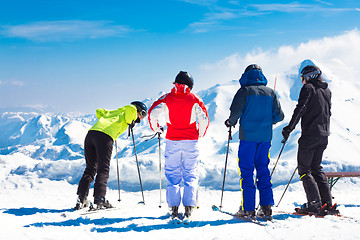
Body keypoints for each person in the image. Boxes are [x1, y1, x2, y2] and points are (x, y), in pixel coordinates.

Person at [225, 64, 284, 220]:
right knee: (263, 170)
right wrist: (266, 121)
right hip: (265, 139)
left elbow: (235, 113)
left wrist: (230, 122)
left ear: (246, 75)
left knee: (246, 171)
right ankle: (266, 207)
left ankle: (248, 209)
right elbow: (280, 116)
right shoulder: (271, 93)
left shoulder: (244, 91)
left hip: (248, 139)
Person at [148, 71, 209, 220]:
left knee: (173, 174)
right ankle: (189, 206)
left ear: (175, 83)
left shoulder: (167, 98)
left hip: (172, 140)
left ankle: (174, 207)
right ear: (190, 85)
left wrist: (157, 128)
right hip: (190, 141)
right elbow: (204, 118)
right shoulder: (195, 98)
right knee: (190, 172)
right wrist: (199, 133)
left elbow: (151, 113)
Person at [282, 65, 339, 215]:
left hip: (310, 135)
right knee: (316, 168)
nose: (303, 82)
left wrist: (289, 128)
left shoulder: (309, 89)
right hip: (324, 135)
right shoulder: (327, 90)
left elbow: (301, 108)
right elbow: (329, 112)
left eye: (303, 78)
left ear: (309, 76)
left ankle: (314, 204)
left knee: (304, 170)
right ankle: (327, 203)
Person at [74, 101, 148, 210]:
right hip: (104, 137)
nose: (142, 118)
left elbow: (100, 112)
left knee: (90, 168)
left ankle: (81, 198)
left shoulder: (115, 113)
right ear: (137, 109)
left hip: (91, 135)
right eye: (142, 114)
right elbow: (129, 116)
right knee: (103, 169)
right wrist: (131, 122)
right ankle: (99, 200)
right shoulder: (131, 109)